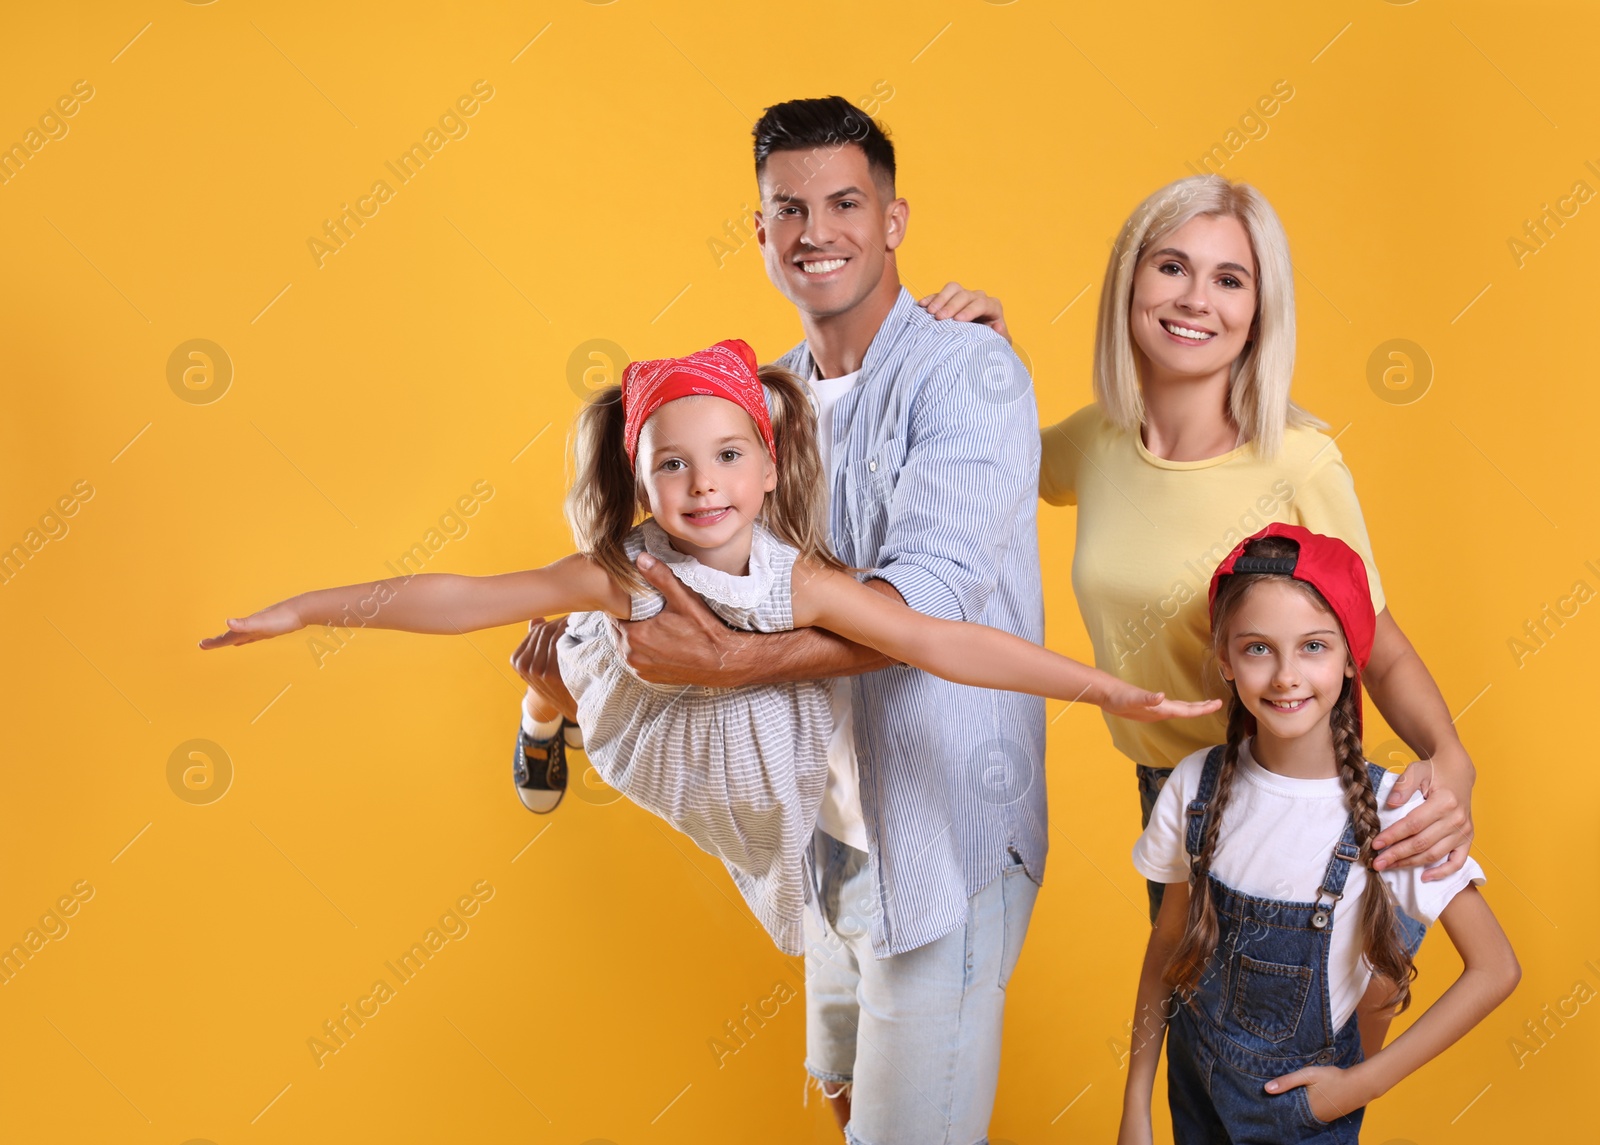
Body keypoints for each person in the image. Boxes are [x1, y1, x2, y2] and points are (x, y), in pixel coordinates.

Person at [199, 337, 1216, 959]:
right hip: (637, 709)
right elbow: (466, 594)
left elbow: (941, 639)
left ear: (768, 468)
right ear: (643, 487)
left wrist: (1104, 691)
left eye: (727, 455)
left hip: (748, 734)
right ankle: (541, 711)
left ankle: (550, 699)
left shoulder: (797, 579)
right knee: (556, 659)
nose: (702, 485)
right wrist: (303, 609)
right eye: (672, 465)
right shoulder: (626, 567)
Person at [513, 97, 1064, 1142]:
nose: (817, 232)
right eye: (788, 209)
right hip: (829, 843)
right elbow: (696, 569)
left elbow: (923, 606)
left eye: (845, 203)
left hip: (942, 832)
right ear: (760, 230)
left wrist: (723, 662)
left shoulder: (968, 371)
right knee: (848, 1097)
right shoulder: (767, 407)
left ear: (894, 219)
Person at [916, 176, 1477, 934]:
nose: (1195, 298)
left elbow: (1379, 645)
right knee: (1203, 1039)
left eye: (1229, 279)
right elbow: (998, 463)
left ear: (1258, 312)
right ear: (1131, 280)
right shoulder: (1098, 442)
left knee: (1311, 1044)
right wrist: (991, 357)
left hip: (1285, 795)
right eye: (1172, 266)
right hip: (1171, 792)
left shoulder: (1297, 463)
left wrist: (1451, 757)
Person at [1116, 525, 1517, 1144]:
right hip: (1193, 1095)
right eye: (1257, 649)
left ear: (1353, 655)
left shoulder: (1396, 811)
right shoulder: (1194, 786)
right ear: (1223, 657)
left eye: (1312, 647)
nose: (1284, 676)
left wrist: (1361, 1085)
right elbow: (1167, 948)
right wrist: (1135, 1106)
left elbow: (1495, 969)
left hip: (1302, 1119)